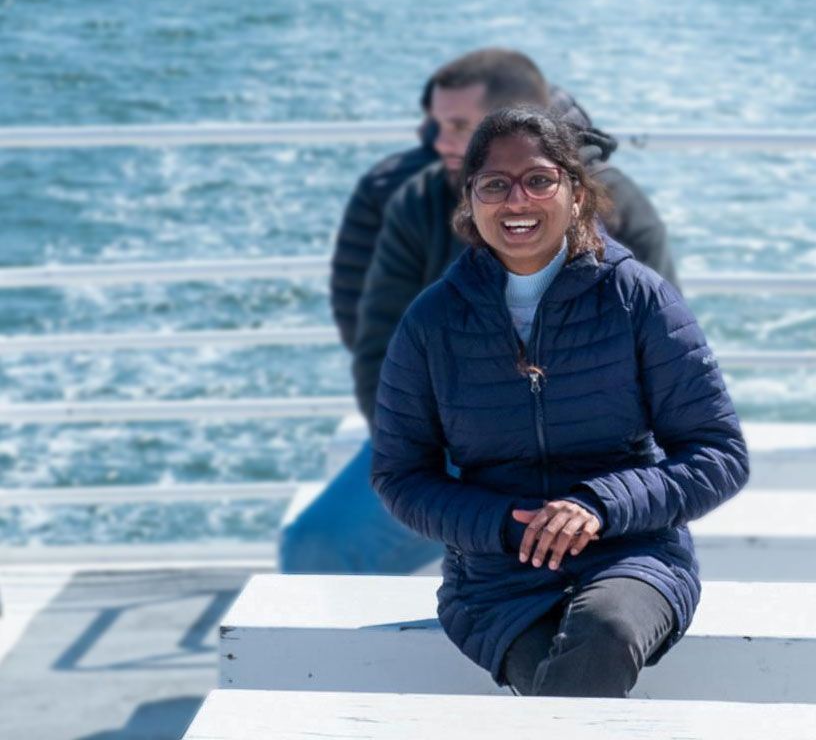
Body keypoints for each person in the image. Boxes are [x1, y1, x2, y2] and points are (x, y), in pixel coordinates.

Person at [370, 106, 748, 697]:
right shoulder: (433, 321)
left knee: (605, 630)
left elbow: (719, 453)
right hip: (495, 577)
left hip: (632, 555)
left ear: (576, 192)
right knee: (566, 685)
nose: (517, 201)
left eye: (539, 180)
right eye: (495, 185)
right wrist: (504, 525)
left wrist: (599, 505)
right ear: (470, 202)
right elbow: (400, 475)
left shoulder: (637, 298)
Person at [280, 49, 680, 572]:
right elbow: (375, 342)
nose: (439, 140)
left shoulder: (617, 207)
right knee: (315, 549)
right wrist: (434, 469)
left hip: (592, 462)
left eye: (458, 125)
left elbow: (663, 367)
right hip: (445, 451)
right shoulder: (413, 200)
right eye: (438, 124)